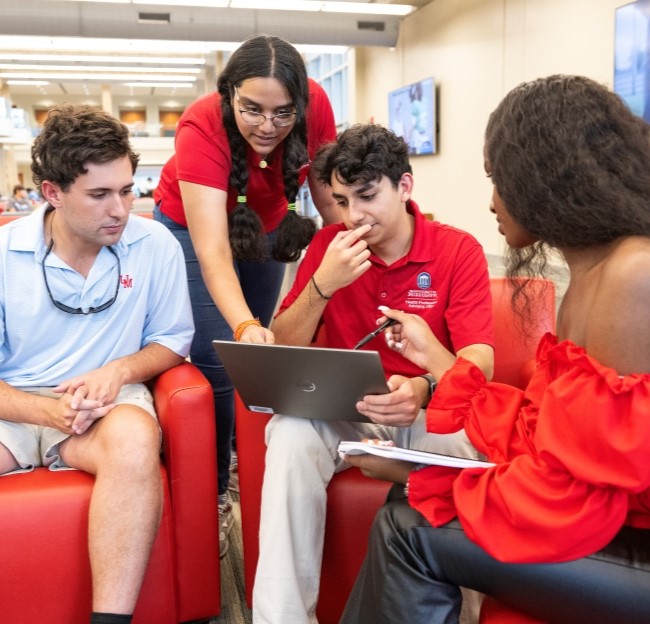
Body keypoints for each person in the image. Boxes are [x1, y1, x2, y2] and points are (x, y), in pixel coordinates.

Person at [340, 75, 650, 624]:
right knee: (406, 511)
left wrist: (417, 478)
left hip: (632, 545)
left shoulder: (632, 275)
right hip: (611, 523)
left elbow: (585, 489)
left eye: (497, 180)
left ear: (543, 180)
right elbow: (549, 436)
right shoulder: (596, 274)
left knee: (405, 528)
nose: (491, 201)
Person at [253, 123, 495, 623]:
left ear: (405, 188)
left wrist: (425, 387)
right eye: (341, 201)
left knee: (472, 452)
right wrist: (322, 285)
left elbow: (479, 359)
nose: (353, 216)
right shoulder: (328, 248)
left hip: (427, 414)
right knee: (293, 431)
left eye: (367, 196)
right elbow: (284, 344)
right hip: (348, 413)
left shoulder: (457, 249)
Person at [0, 104, 194, 624]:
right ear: (52, 193)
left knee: (135, 440)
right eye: (100, 195)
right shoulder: (4, 252)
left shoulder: (155, 245)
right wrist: (46, 413)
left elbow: (173, 341)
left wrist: (119, 372)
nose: (121, 209)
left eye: (127, 190)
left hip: (110, 403)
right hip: (16, 404)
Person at [153, 34, 339, 555]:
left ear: (300, 104)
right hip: (191, 227)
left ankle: (246, 459)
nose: (267, 125)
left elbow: (328, 198)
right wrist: (240, 325)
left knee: (261, 352)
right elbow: (213, 253)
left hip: (269, 225)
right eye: (251, 109)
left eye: (282, 114)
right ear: (228, 94)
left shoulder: (316, 104)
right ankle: (212, 489)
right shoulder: (200, 124)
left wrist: (358, 253)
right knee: (219, 356)